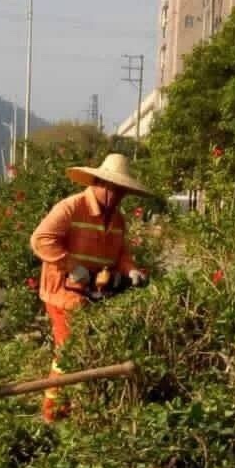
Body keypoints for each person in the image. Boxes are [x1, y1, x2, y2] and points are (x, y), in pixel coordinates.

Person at [30, 153, 148, 422]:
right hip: (64, 294)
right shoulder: (71, 207)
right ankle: (53, 414)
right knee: (68, 352)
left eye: (124, 193)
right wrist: (73, 267)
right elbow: (41, 240)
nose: (120, 197)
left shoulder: (118, 219)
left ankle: (78, 408)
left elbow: (121, 254)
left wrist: (132, 271)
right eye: (116, 190)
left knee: (86, 350)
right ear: (101, 183)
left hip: (94, 295)